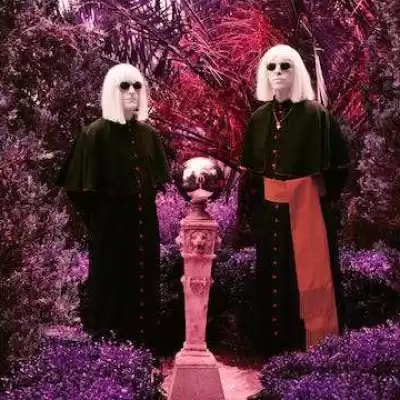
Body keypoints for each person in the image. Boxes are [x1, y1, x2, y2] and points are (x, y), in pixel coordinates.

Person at [239, 44, 350, 360]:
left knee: (302, 274)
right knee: (272, 271)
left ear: (297, 71)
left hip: (307, 210)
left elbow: (338, 170)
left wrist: (313, 195)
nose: (277, 73)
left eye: (284, 66)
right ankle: (272, 346)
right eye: (271, 67)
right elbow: (252, 176)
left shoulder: (317, 116)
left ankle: (308, 345)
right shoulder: (259, 118)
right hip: (269, 211)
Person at [57, 63, 170, 352]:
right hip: (110, 232)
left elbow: (157, 182)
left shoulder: (149, 136)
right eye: (124, 86)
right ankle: (111, 359)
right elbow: (78, 190)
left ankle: (146, 354)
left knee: (144, 287)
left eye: (137, 86)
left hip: (145, 230)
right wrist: (100, 222)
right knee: (110, 290)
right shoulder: (94, 134)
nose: (132, 92)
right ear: (111, 91)